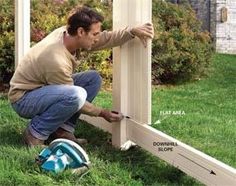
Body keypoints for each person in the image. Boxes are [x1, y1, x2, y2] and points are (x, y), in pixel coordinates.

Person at [8, 5, 154, 147]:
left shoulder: (68, 35)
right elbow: (74, 99)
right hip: (24, 99)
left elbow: (105, 38)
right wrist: (102, 113)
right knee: (75, 95)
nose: (97, 38)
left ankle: (62, 130)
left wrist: (131, 32)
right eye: (95, 34)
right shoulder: (55, 59)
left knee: (92, 79)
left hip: (43, 88)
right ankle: (35, 134)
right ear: (81, 32)